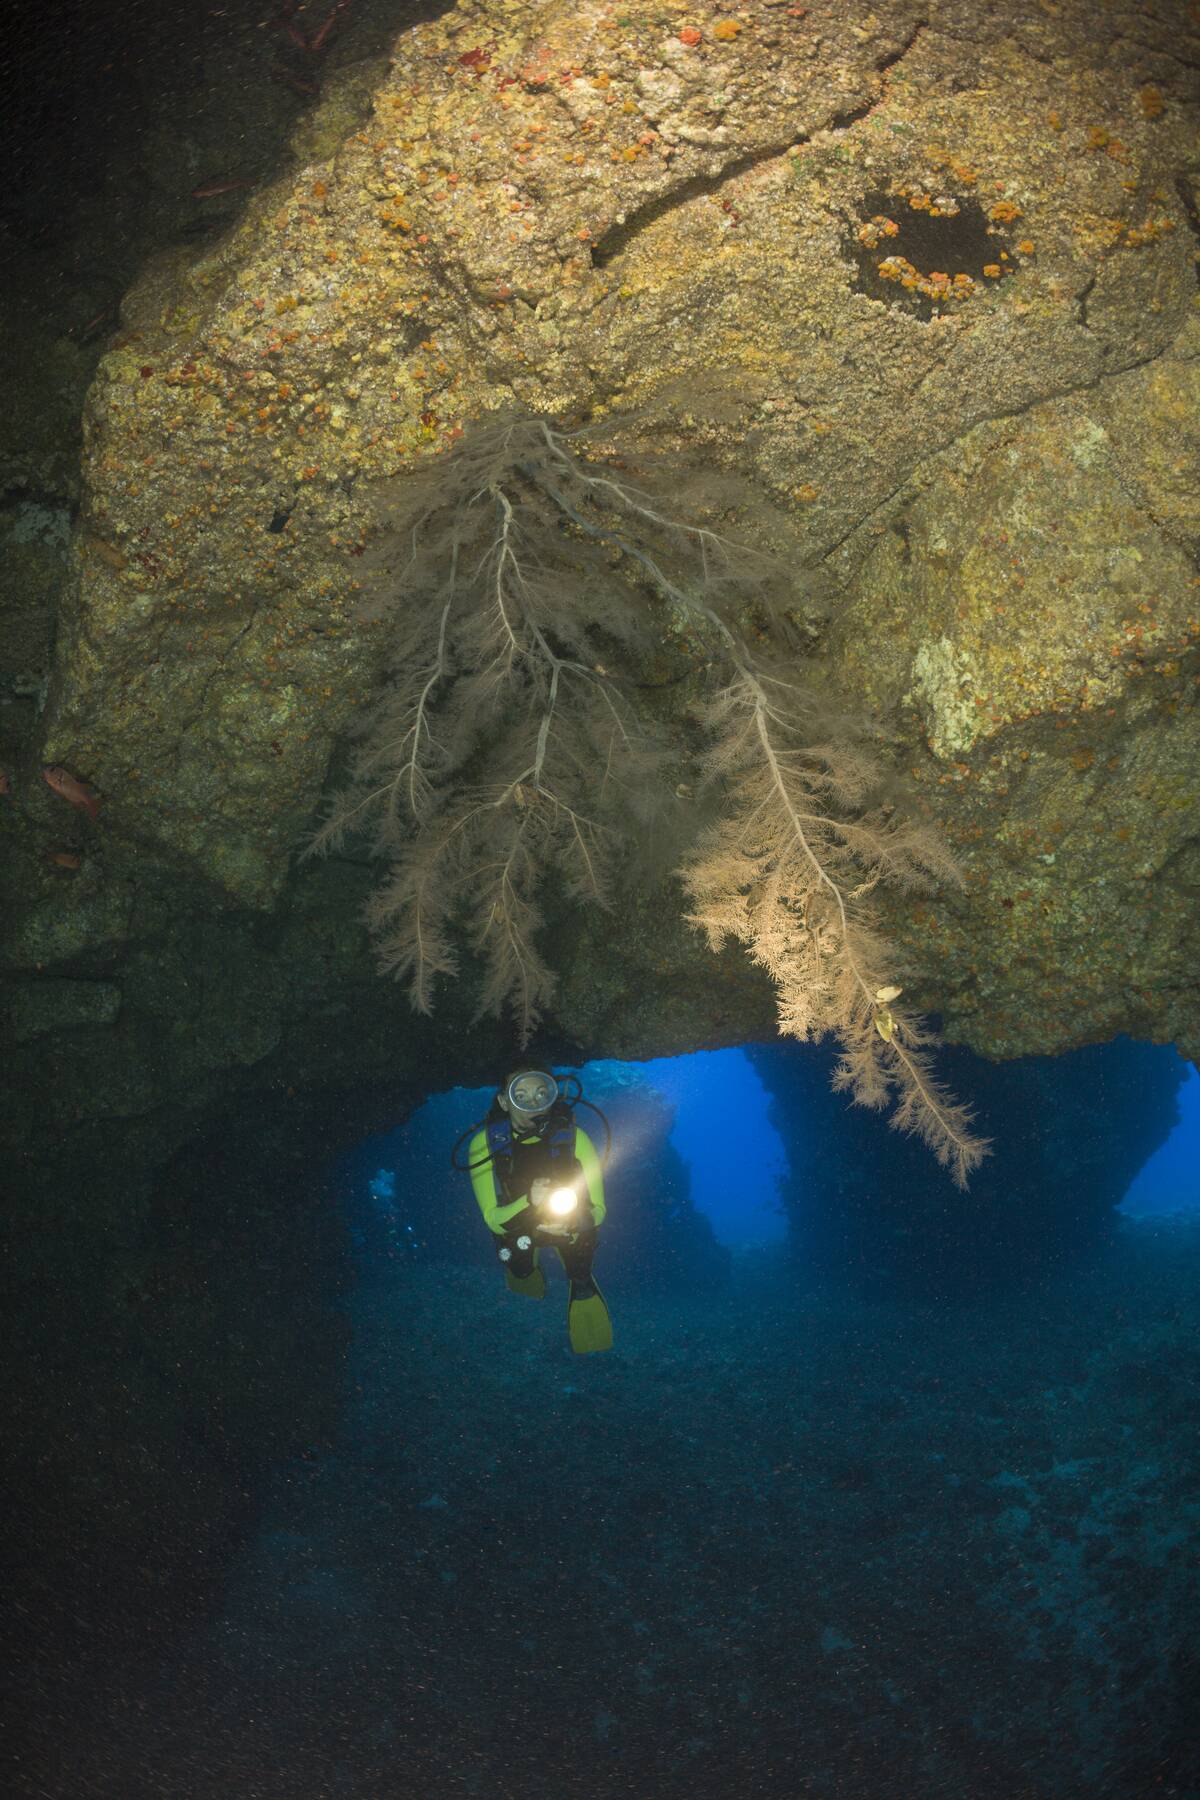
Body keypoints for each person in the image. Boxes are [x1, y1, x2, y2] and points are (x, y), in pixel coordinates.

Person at [466, 1068, 613, 1354]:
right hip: (517, 1223)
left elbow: (600, 1210)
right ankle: (525, 1270)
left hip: (568, 1221)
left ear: (552, 1096)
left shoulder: (575, 1138)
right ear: (504, 1102)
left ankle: (581, 1286)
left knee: (580, 1272)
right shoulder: (484, 1144)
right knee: (519, 1268)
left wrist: (574, 1221)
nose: (533, 1105)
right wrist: (528, 1202)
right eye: (520, 1096)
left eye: (541, 1094)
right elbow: (493, 1221)